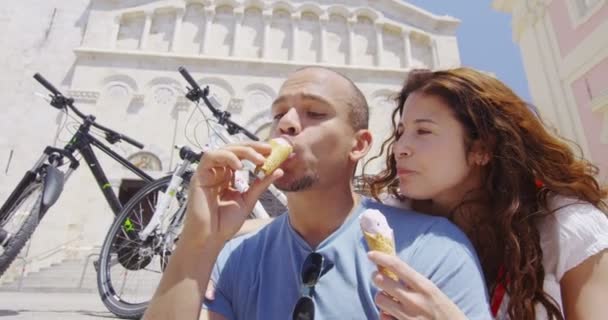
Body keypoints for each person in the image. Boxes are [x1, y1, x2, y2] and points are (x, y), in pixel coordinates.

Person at [142, 66, 492, 320]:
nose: (286, 123)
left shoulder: (433, 249)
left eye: (314, 112)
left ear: (359, 145)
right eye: (279, 113)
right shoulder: (235, 256)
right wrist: (199, 240)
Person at [364, 67, 608, 320]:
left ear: (482, 148)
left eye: (423, 131)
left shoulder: (566, 227)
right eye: (401, 132)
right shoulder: (390, 223)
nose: (399, 148)